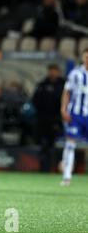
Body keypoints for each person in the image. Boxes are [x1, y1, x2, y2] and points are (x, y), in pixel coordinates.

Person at [60, 48, 88, 186]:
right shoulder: (75, 73)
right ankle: (66, 176)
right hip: (76, 114)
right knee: (70, 144)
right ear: (83, 58)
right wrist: (63, 109)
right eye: (86, 57)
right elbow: (67, 92)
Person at [32, 64, 65, 172]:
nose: (52, 73)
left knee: (57, 145)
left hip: (57, 120)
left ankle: (57, 168)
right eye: (50, 70)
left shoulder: (63, 84)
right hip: (42, 120)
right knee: (43, 145)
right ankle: (43, 168)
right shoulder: (42, 84)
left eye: (54, 70)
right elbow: (35, 100)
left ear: (58, 71)